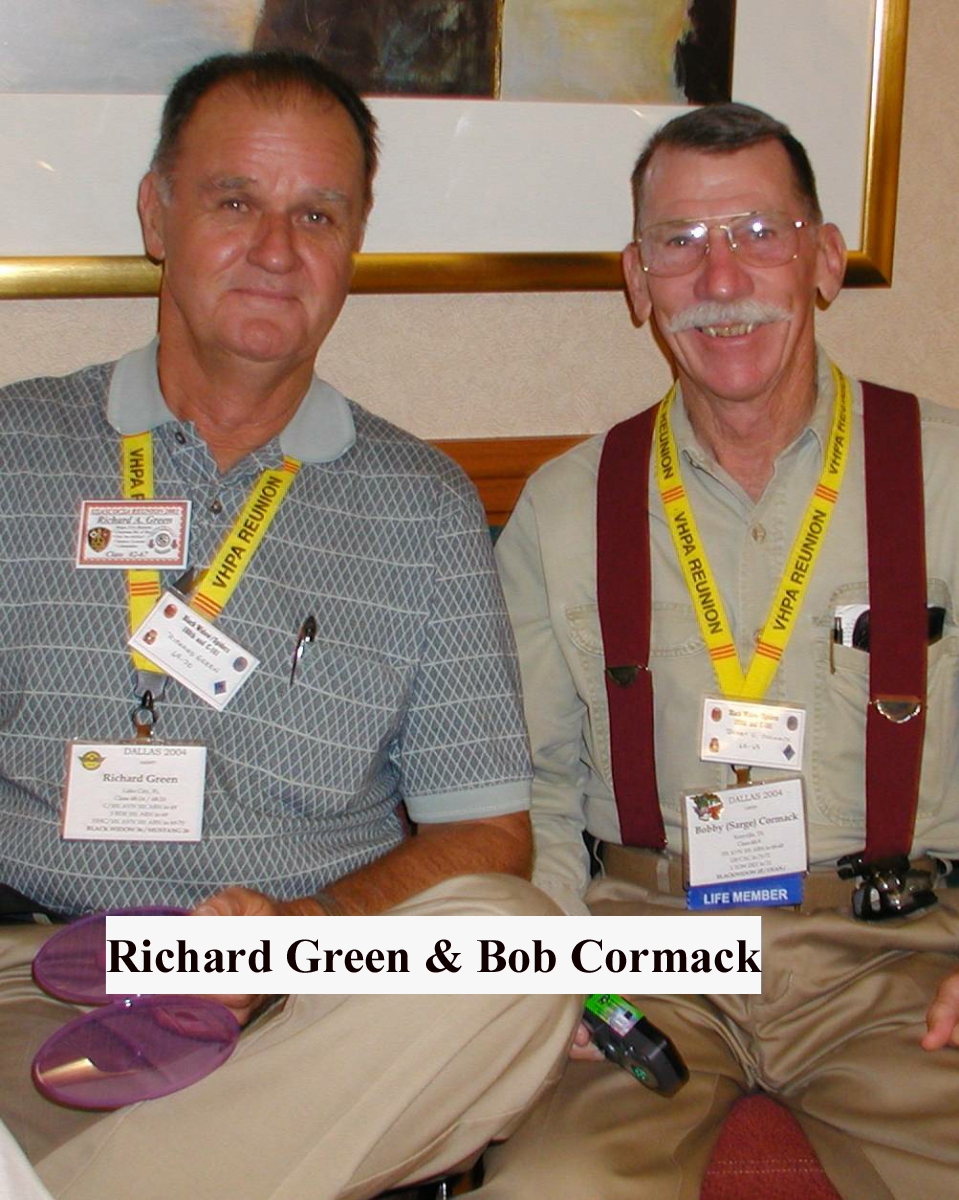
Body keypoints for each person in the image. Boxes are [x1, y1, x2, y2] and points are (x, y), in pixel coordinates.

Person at [0, 51, 578, 1200]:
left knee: (517, 955)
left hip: (306, 999)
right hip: (33, 977)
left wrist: (298, 931)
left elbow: (486, 835)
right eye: (235, 202)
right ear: (156, 214)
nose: (276, 248)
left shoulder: (422, 507)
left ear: (352, 244)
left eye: (316, 214)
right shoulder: (14, 453)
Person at [488, 102, 959, 1198]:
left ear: (822, 259)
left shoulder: (946, 475)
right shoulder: (562, 510)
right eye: (679, 242)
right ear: (636, 280)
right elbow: (532, 786)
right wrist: (549, 964)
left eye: (756, 232)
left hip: (895, 959)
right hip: (646, 957)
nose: (719, 277)